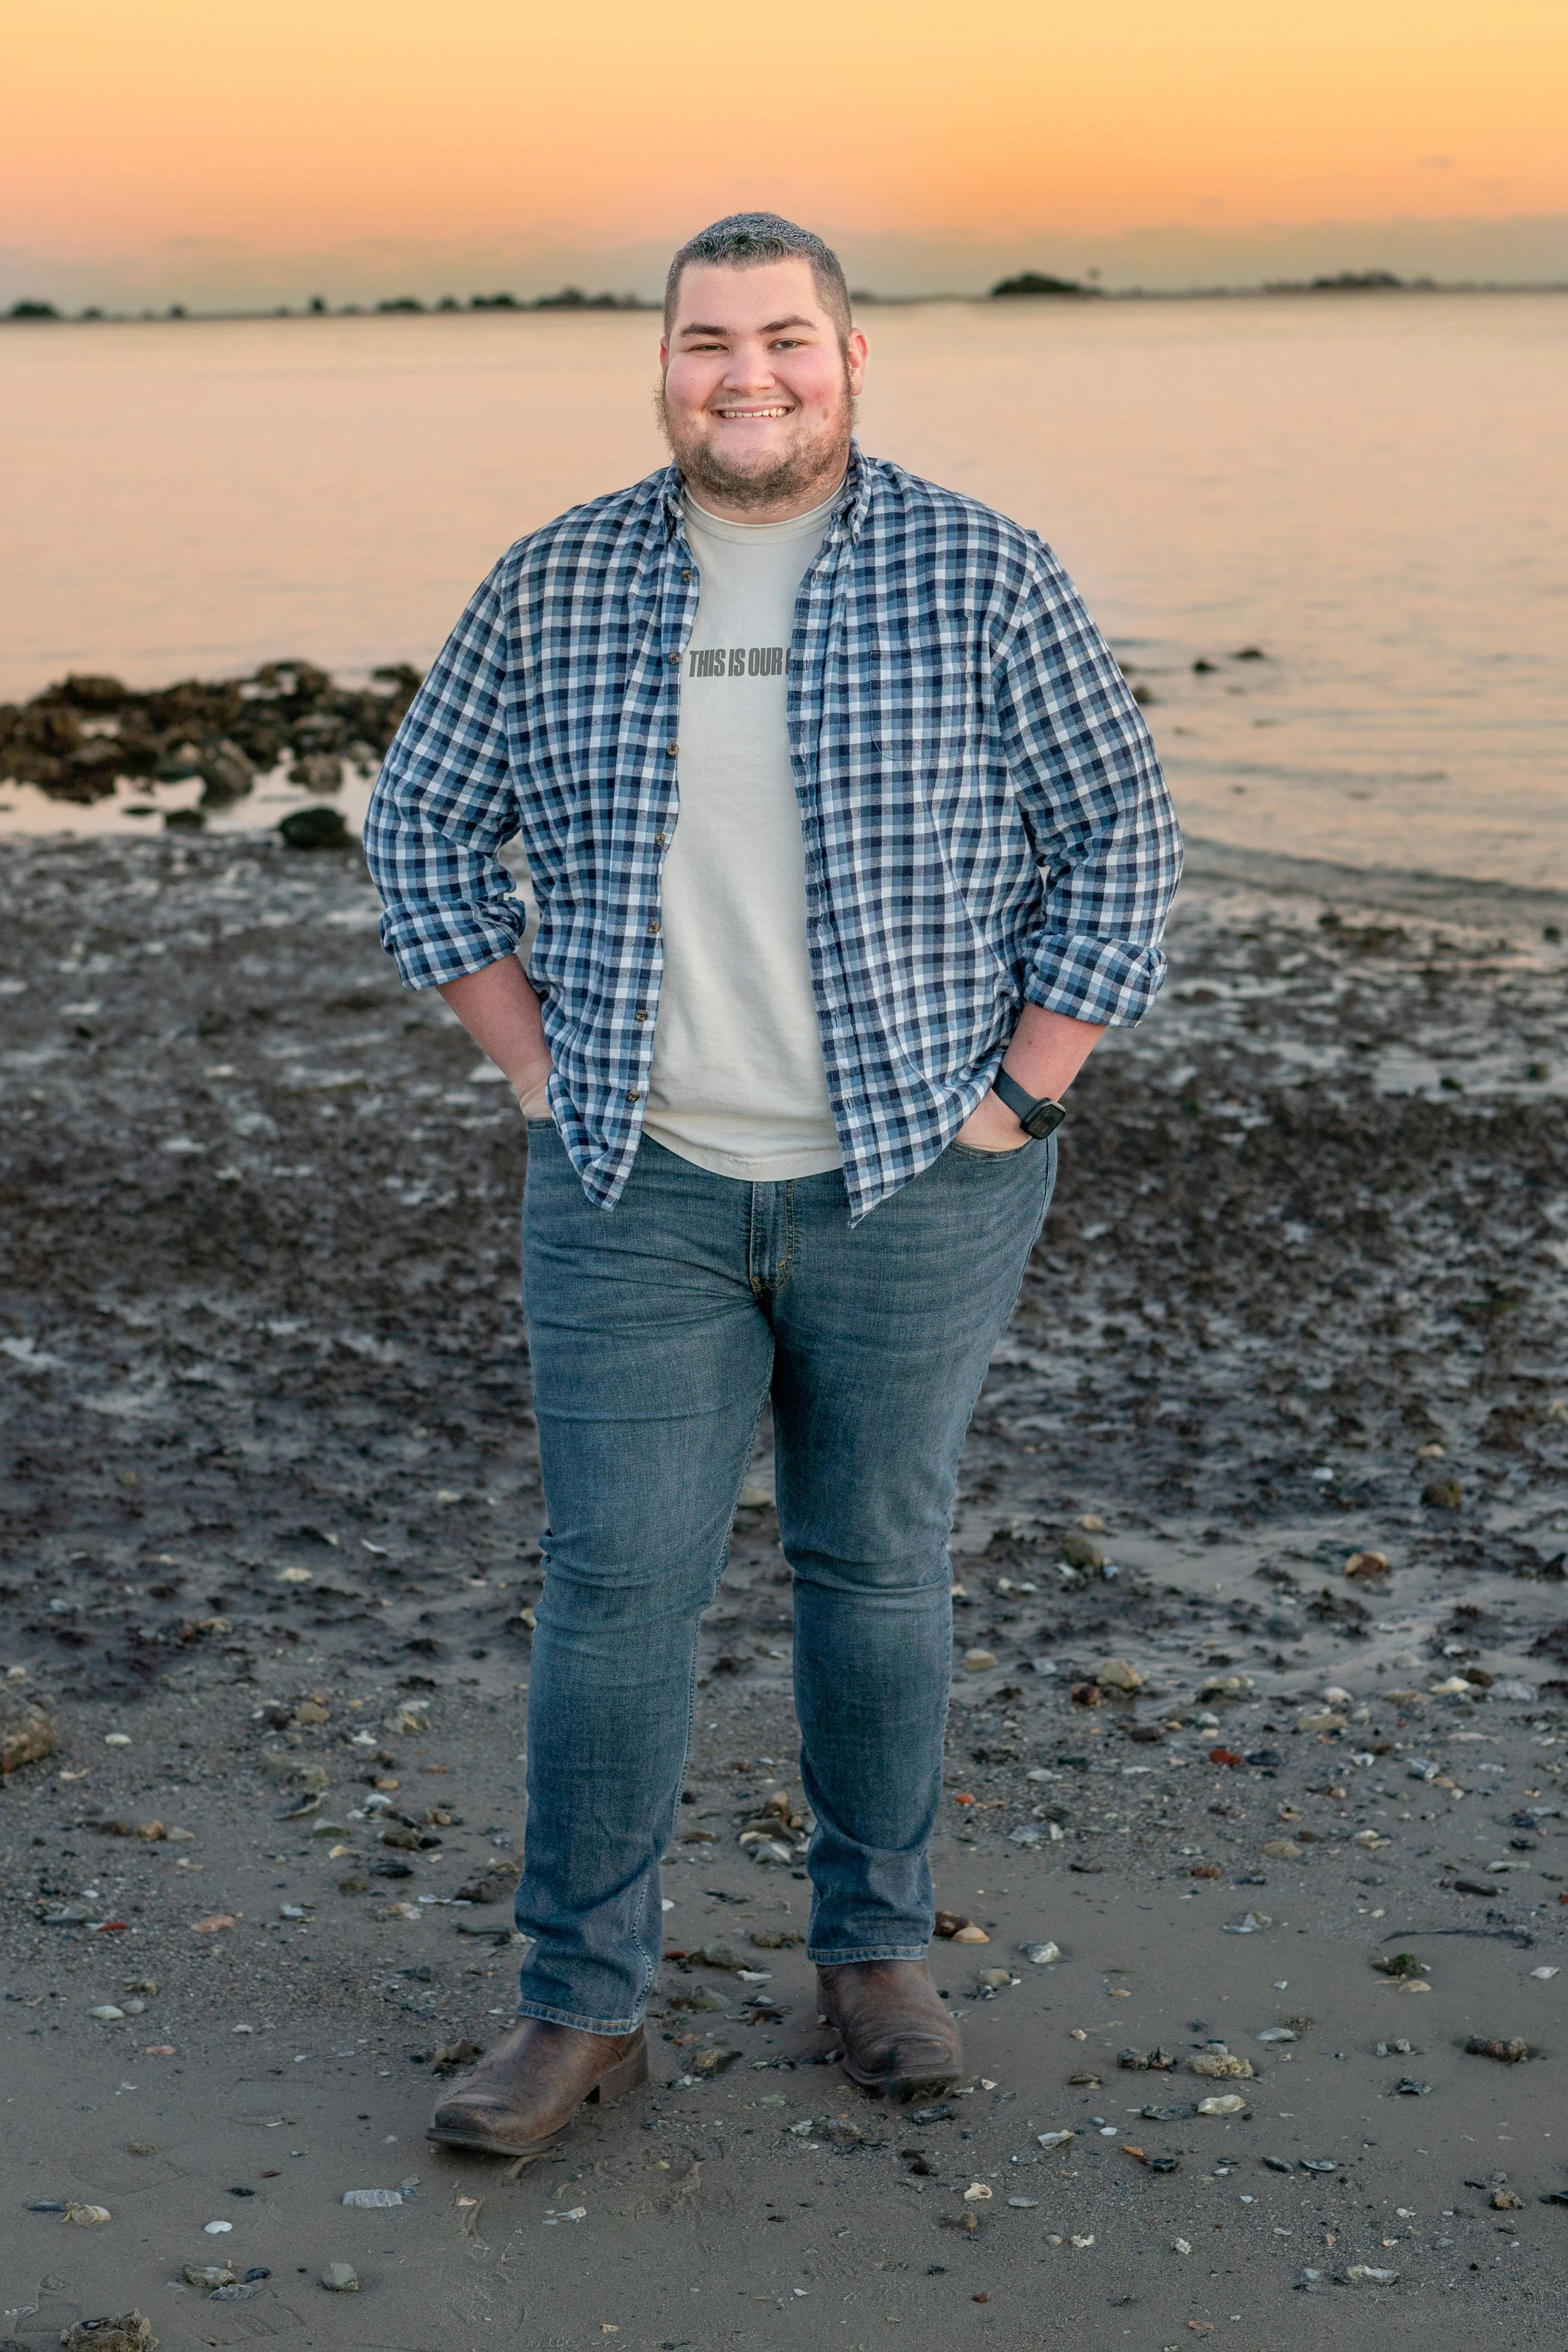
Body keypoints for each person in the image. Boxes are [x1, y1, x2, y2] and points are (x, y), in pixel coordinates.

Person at [364, 211, 1180, 2156]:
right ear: (659, 364)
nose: (746, 373)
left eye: (785, 339)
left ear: (851, 358)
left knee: (876, 1571)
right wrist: (543, 1070)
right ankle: (577, 2005)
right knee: (614, 1587)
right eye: (706, 341)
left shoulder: (979, 570)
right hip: (633, 1185)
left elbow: (1121, 843)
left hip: (921, 1178)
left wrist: (1017, 1098)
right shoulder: (555, 581)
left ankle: (873, 1953)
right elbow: (417, 828)